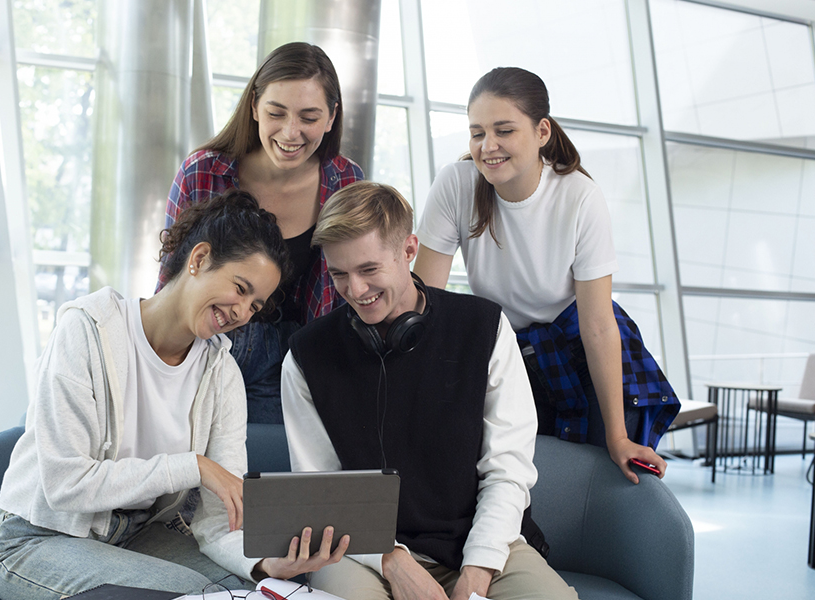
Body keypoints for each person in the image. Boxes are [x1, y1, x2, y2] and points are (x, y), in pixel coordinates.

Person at [0, 190, 348, 600]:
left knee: (251, 591)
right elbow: (66, 484)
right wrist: (192, 466)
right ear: (198, 259)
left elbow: (215, 522)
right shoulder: (87, 330)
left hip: (133, 535)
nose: (243, 312)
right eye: (240, 287)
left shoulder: (221, 372)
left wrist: (264, 564)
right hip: (39, 538)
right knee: (201, 597)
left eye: (255, 305)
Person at [281, 181, 577, 600]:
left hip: (478, 542)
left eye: (369, 270)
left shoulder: (484, 327)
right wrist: (390, 558)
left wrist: (478, 568)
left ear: (408, 250)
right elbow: (322, 489)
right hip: (363, 549)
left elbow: (507, 469)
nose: (356, 291)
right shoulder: (306, 356)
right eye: (339, 275)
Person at [413, 67, 679, 484]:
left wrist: (617, 436)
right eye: (477, 132)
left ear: (541, 132)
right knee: (509, 473)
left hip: (581, 343)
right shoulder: (456, 183)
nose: (488, 146)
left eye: (504, 130)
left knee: (596, 475)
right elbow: (424, 302)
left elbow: (597, 324)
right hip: (508, 346)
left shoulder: (579, 195)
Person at [159, 41, 364, 425]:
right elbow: (169, 284)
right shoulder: (202, 173)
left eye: (309, 116)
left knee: (268, 474)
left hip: (295, 363)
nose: (291, 132)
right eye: (276, 113)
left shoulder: (346, 182)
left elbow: (349, 294)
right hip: (207, 349)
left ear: (332, 117)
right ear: (254, 106)